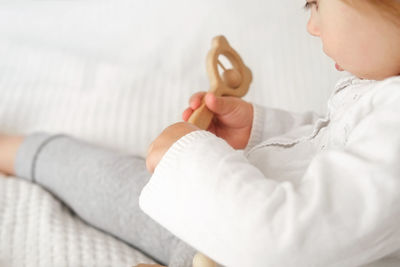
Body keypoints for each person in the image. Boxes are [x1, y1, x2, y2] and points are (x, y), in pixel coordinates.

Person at [1, 0, 400, 266]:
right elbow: (335, 144)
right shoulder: (383, 93)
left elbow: (287, 239)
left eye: (317, 3)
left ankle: (17, 150)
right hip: (230, 233)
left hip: (228, 242)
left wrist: (187, 158)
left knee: (113, 181)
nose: (312, 26)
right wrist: (259, 129)